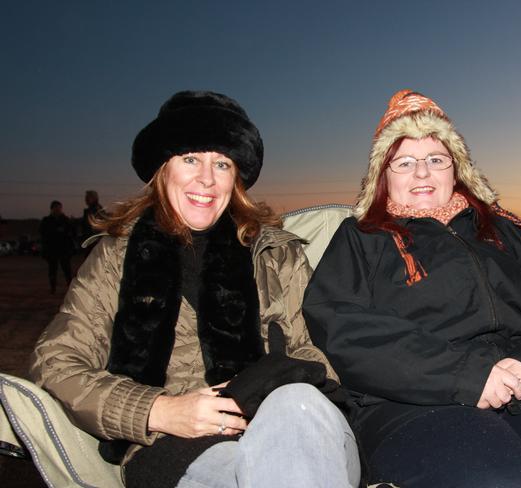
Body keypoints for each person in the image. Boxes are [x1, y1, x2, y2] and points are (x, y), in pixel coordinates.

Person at [303, 90, 521, 487]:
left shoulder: (506, 231)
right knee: (499, 482)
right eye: (404, 162)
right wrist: (468, 375)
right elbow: (342, 325)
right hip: (417, 405)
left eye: (436, 159)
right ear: (383, 175)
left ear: (457, 168)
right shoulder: (362, 238)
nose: (422, 173)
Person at [30, 91, 360, 488]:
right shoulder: (116, 258)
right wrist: (158, 411)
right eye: (190, 159)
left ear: (235, 178)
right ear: (162, 169)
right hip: (178, 446)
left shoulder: (276, 255)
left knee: (296, 402)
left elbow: (321, 352)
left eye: (221, 163)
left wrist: (266, 390)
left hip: (294, 426)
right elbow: (57, 362)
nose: (206, 178)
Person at [39, 200, 75, 293]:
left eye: (59, 208)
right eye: (56, 208)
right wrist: (55, 231)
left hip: (64, 249)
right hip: (52, 249)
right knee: (52, 270)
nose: (58, 210)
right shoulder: (46, 220)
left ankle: (70, 288)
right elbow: (43, 233)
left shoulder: (65, 220)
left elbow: (71, 233)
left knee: (67, 270)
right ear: (52, 209)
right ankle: (53, 288)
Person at [80, 189, 104, 256]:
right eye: (86, 197)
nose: (86, 199)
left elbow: (99, 228)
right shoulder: (89, 211)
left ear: (94, 198)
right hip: (90, 242)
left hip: (95, 243)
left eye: (88, 197)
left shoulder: (98, 211)